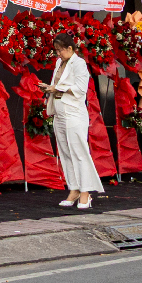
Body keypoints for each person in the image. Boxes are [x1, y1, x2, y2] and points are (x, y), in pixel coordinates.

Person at [48, 30, 104, 209]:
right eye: (56, 50)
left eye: (60, 50)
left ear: (70, 49)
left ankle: (85, 192)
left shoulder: (79, 64)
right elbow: (58, 84)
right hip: (59, 111)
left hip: (74, 112)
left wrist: (58, 88)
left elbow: (80, 89)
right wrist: (50, 88)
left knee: (79, 152)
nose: (58, 53)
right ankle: (74, 189)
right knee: (65, 152)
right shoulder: (59, 63)